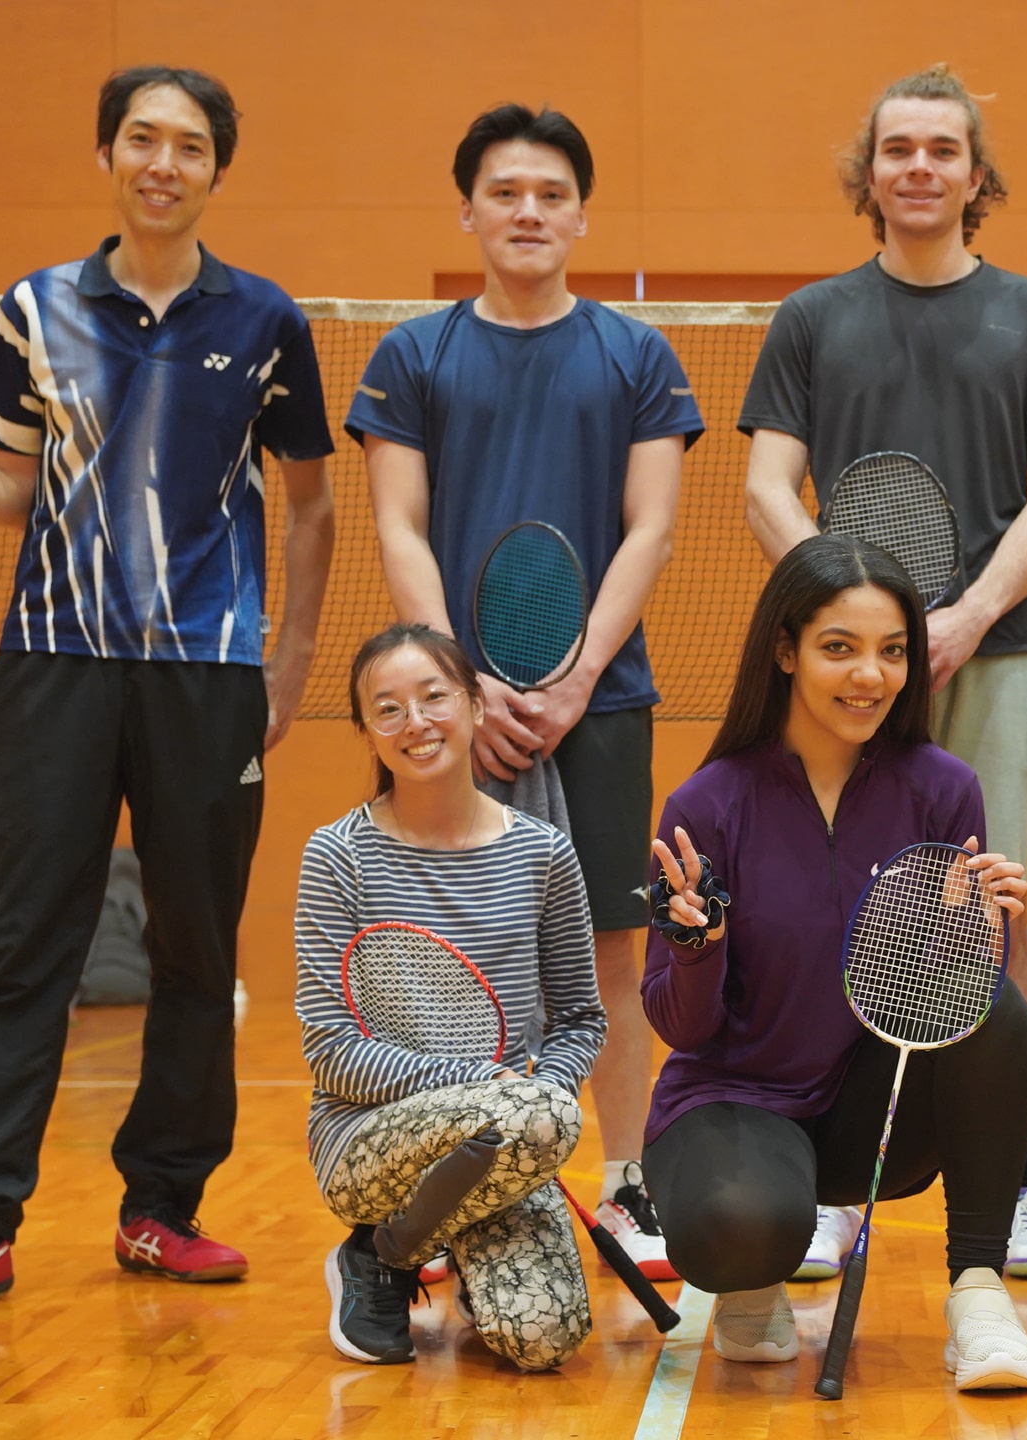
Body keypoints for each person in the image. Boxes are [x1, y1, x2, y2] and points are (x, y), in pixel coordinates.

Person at [0, 66, 334, 1312]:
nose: (164, 163)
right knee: (16, 948)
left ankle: (163, 1209)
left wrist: (289, 662)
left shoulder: (267, 321)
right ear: (107, 153)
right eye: (142, 138)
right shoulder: (36, 307)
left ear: (219, 169)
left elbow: (311, 504)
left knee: (196, 950)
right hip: (52, 663)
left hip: (208, 674)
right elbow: (13, 489)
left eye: (190, 145)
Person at [739, 62, 1027, 1283]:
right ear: (869, 172)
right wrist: (860, 624)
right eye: (899, 149)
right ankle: (836, 1181)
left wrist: (969, 613)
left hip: (996, 652)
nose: (920, 168)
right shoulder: (812, 317)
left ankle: (1023, 1184)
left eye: (944, 150)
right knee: (834, 911)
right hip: (848, 668)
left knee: (993, 913)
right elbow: (764, 485)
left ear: (976, 174)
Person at [348, 103, 700, 1278]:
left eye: (552, 194)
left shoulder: (637, 358)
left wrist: (577, 674)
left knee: (611, 956)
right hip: (443, 710)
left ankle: (629, 1184)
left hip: (600, 702)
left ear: (582, 215)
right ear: (469, 212)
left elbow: (651, 528)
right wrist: (456, 688)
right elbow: (399, 524)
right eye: (505, 192)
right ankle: (439, 1191)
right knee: (442, 955)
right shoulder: (413, 357)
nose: (529, 212)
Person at [640, 536, 1027, 1390]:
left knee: (1000, 1013)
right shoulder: (708, 804)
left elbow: (952, 1007)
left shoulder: (943, 789)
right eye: (840, 647)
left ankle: (979, 1293)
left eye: (892, 651)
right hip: (736, 1101)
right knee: (740, 1229)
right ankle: (753, 1278)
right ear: (786, 651)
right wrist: (697, 951)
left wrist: (975, 933)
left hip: (876, 1110)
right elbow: (682, 1026)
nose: (871, 675)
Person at [297, 624, 606, 1370]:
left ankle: (455, 1248)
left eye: (434, 697)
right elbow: (332, 1051)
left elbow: (580, 1018)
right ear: (367, 732)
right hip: (369, 1139)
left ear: (474, 705)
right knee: (538, 1115)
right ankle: (379, 1253)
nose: (416, 722)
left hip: (506, 1136)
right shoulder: (338, 856)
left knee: (543, 1340)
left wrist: (541, 1092)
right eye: (388, 709)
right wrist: (489, 1089)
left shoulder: (543, 852)